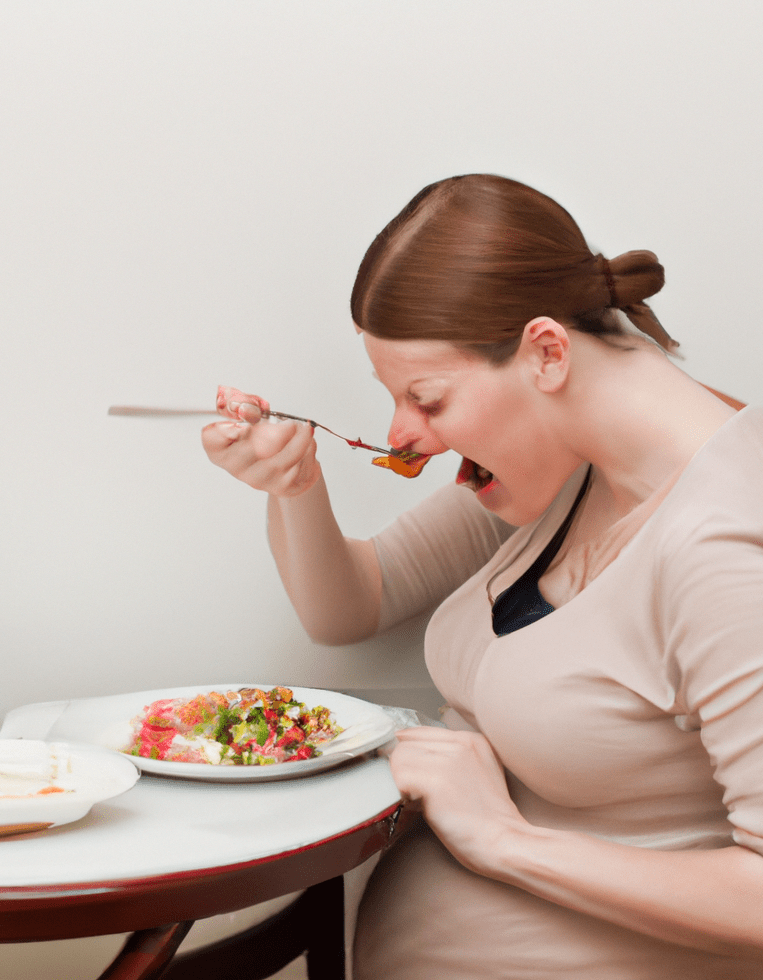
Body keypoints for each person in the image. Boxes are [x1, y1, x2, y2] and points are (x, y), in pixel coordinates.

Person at [201, 174, 763, 978]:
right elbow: (352, 605)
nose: (403, 435)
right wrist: (294, 487)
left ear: (546, 351)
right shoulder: (569, 462)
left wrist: (502, 839)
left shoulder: (726, 547)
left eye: (426, 398)